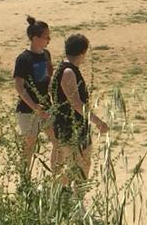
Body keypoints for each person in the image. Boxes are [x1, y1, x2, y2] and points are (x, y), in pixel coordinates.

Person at [51, 32, 109, 187]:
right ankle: (68, 199)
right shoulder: (68, 71)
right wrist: (98, 122)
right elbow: (76, 103)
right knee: (76, 165)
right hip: (69, 126)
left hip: (76, 124)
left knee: (83, 162)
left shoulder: (67, 69)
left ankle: (69, 199)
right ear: (83, 52)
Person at [12, 16, 55, 180]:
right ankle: (24, 181)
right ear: (35, 38)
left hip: (47, 108)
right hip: (27, 112)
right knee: (29, 146)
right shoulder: (23, 59)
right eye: (46, 37)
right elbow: (19, 87)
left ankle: (56, 178)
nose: (48, 40)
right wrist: (34, 107)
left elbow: (49, 77)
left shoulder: (46, 54)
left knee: (57, 142)